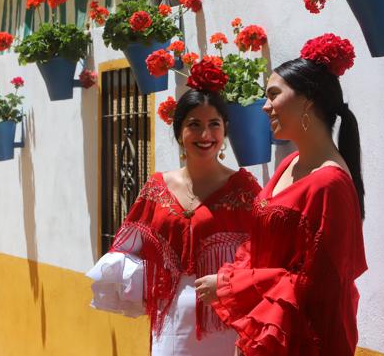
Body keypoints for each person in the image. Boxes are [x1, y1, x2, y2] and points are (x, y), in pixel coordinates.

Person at [195, 37, 367, 356]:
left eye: (274, 94)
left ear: (308, 101)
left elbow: (315, 286)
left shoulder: (328, 184)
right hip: (268, 331)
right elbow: (258, 240)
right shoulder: (290, 163)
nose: (265, 106)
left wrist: (234, 286)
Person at [87, 88, 261, 355]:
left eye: (214, 124)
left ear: (225, 130)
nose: (205, 135)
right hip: (172, 323)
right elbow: (127, 250)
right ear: (180, 131)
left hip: (226, 325)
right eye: (195, 125)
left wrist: (230, 282)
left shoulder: (245, 190)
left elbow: (265, 255)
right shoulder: (156, 189)